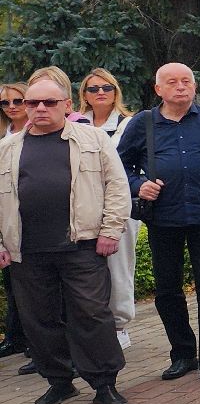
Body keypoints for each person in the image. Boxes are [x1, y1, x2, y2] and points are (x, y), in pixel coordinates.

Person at [0, 68, 132, 404]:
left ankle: (104, 384)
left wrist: (110, 229)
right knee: (39, 321)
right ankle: (59, 381)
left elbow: (117, 186)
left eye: (48, 102)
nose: (39, 108)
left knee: (91, 315)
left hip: (82, 245)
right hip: (26, 252)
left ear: (67, 104)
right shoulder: (8, 148)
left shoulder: (93, 140)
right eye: (32, 102)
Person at [117, 62, 200, 384]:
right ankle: (183, 354)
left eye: (186, 81)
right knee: (167, 291)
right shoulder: (142, 123)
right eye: (172, 82)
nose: (180, 87)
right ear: (158, 89)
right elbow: (119, 165)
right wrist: (138, 185)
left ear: (194, 85)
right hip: (163, 219)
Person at [74, 68, 138, 348]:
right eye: (93, 89)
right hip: (84, 204)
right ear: (84, 95)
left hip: (118, 204)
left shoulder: (129, 123)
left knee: (119, 266)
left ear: (115, 92)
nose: (100, 93)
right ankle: (92, 324)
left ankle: (119, 324)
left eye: (106, 88)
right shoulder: (75, 124)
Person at [0, 82, 28, 364]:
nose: (12, 108)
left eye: (18, 101)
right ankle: (15, 337)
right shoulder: (3, 137)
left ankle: (35, 343)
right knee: (12, 284)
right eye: (5, 103)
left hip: (32, 222)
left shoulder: (37, 134)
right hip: (7, 222)